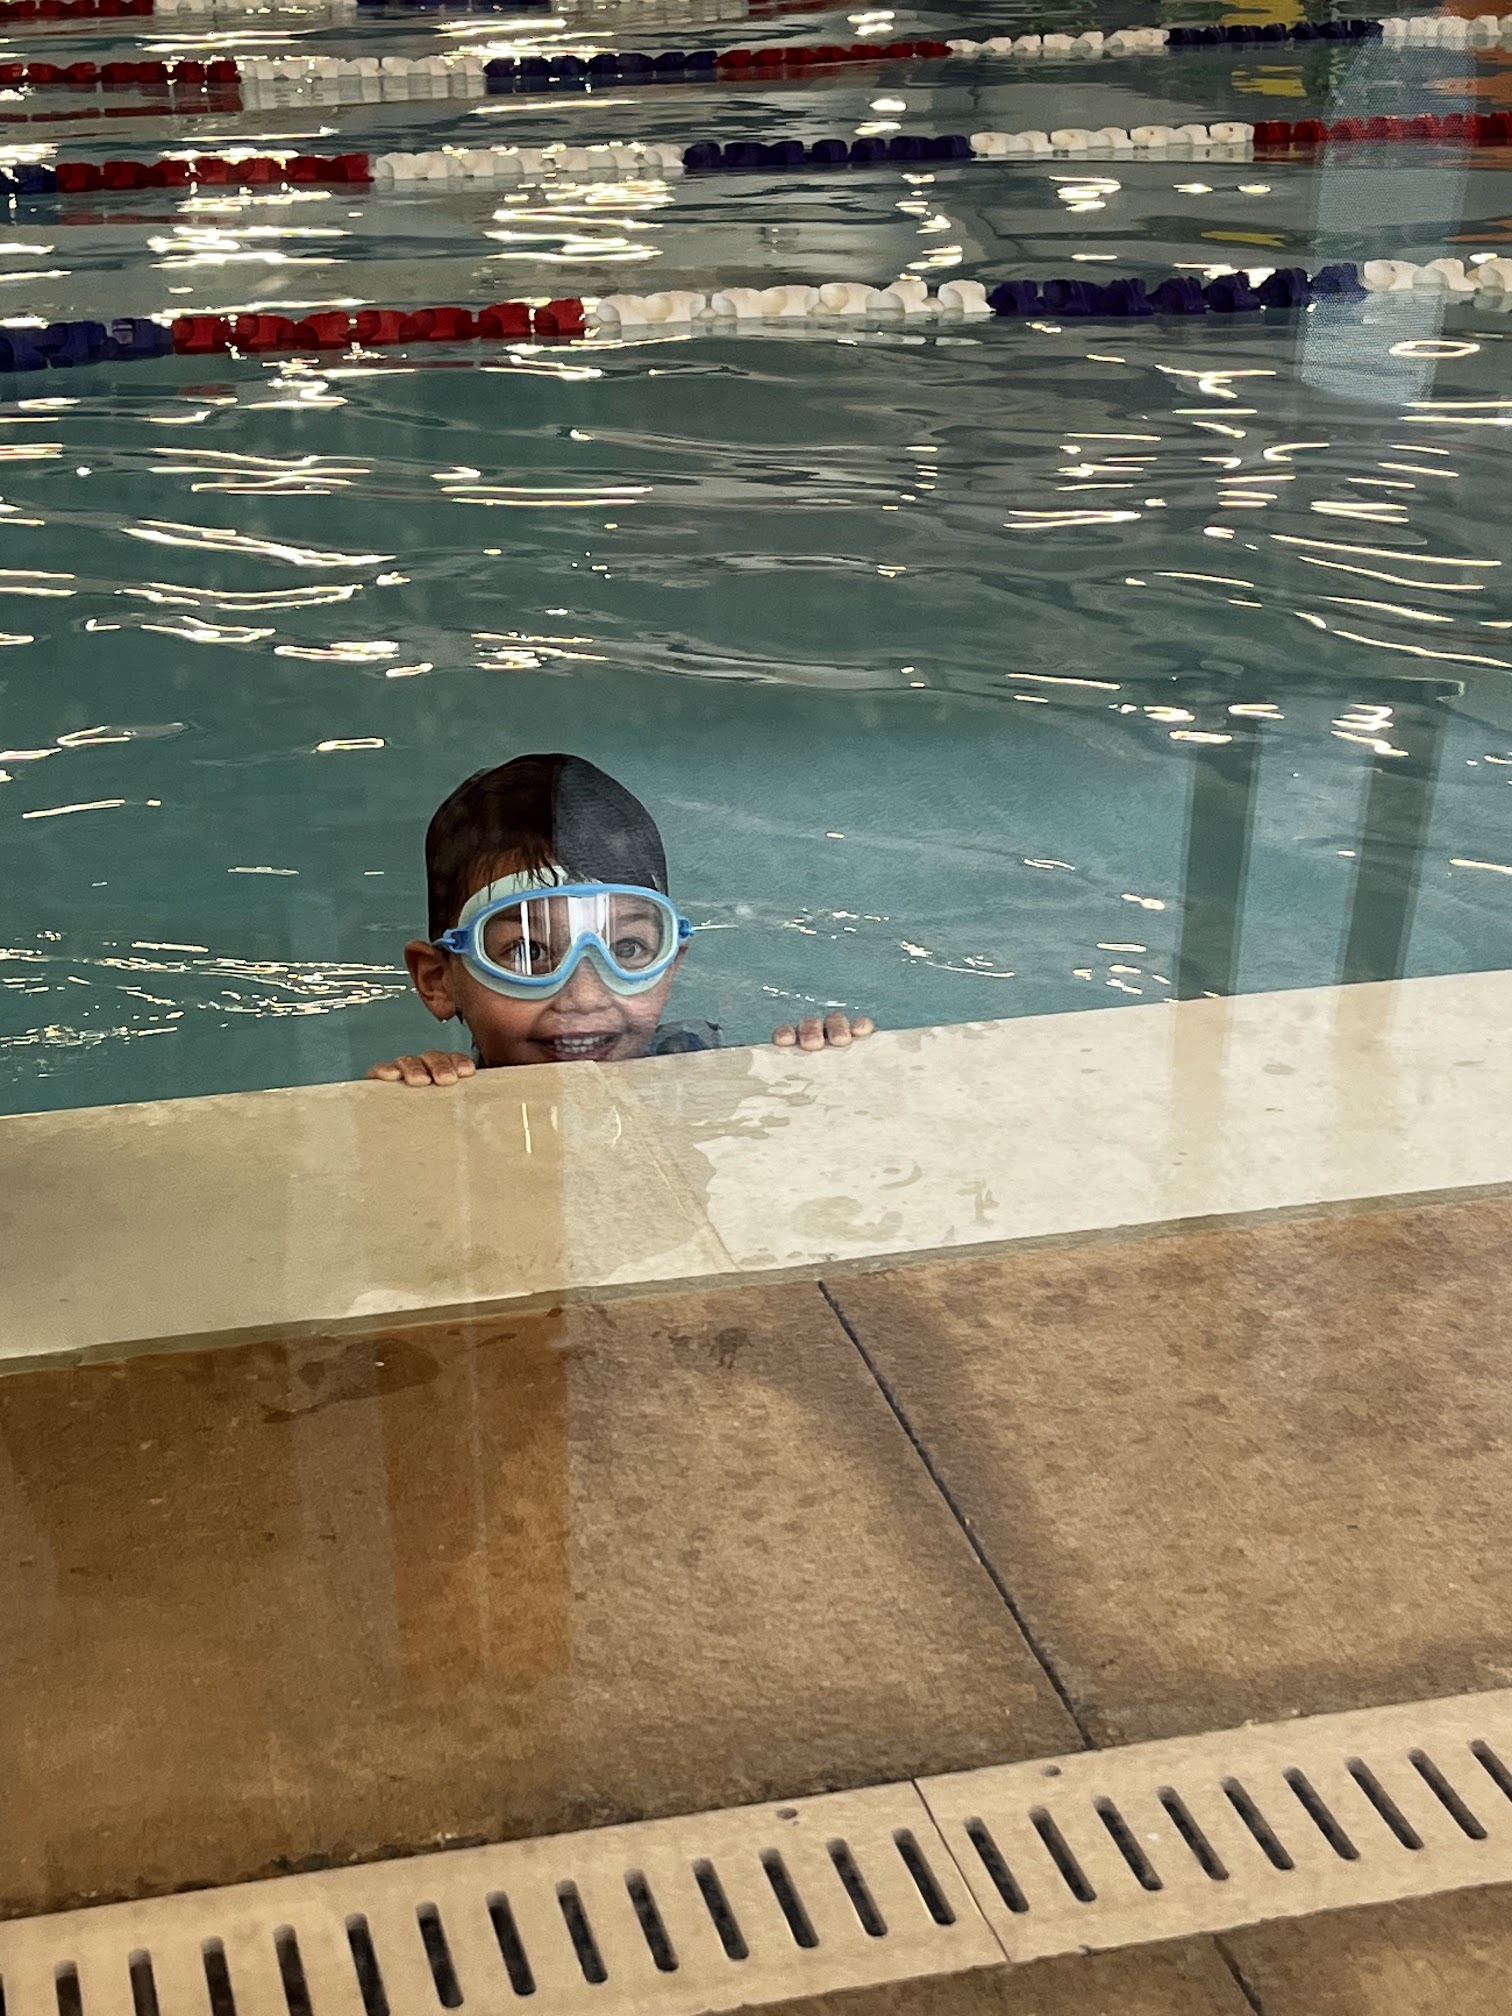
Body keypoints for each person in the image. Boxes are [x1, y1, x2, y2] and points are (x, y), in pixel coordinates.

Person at [368, 752, 875, 1087]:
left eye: (628, 948)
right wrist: (402, 1109)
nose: (585, 998)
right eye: (527, 952)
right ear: (438, 980)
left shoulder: (704, 1067)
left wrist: (819, 1074)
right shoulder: (447, 1097)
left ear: (670, 965)